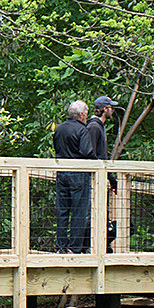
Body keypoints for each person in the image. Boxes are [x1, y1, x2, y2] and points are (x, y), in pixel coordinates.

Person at [53, 100, 96, 253]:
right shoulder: (82, 130)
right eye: (86, 113)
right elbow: (86, 152)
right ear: (82, 115)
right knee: (79, 211)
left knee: (62, 209)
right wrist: (97, 162)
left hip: (61, 173)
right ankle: (75, 248)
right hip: (78, 173)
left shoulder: (59, 128)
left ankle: (61, 246)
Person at [86, 95, 118, 252]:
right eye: (111, 107)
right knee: (93, 213)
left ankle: (103, 246)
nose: (112, 110)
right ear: (105, 109)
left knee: (102, 213)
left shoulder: (99, 126)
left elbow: (101, 156)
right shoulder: (93, 127)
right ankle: (89, 247)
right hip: (93, 178)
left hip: (101, 176)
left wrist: (110, 178)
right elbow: (90, 153)